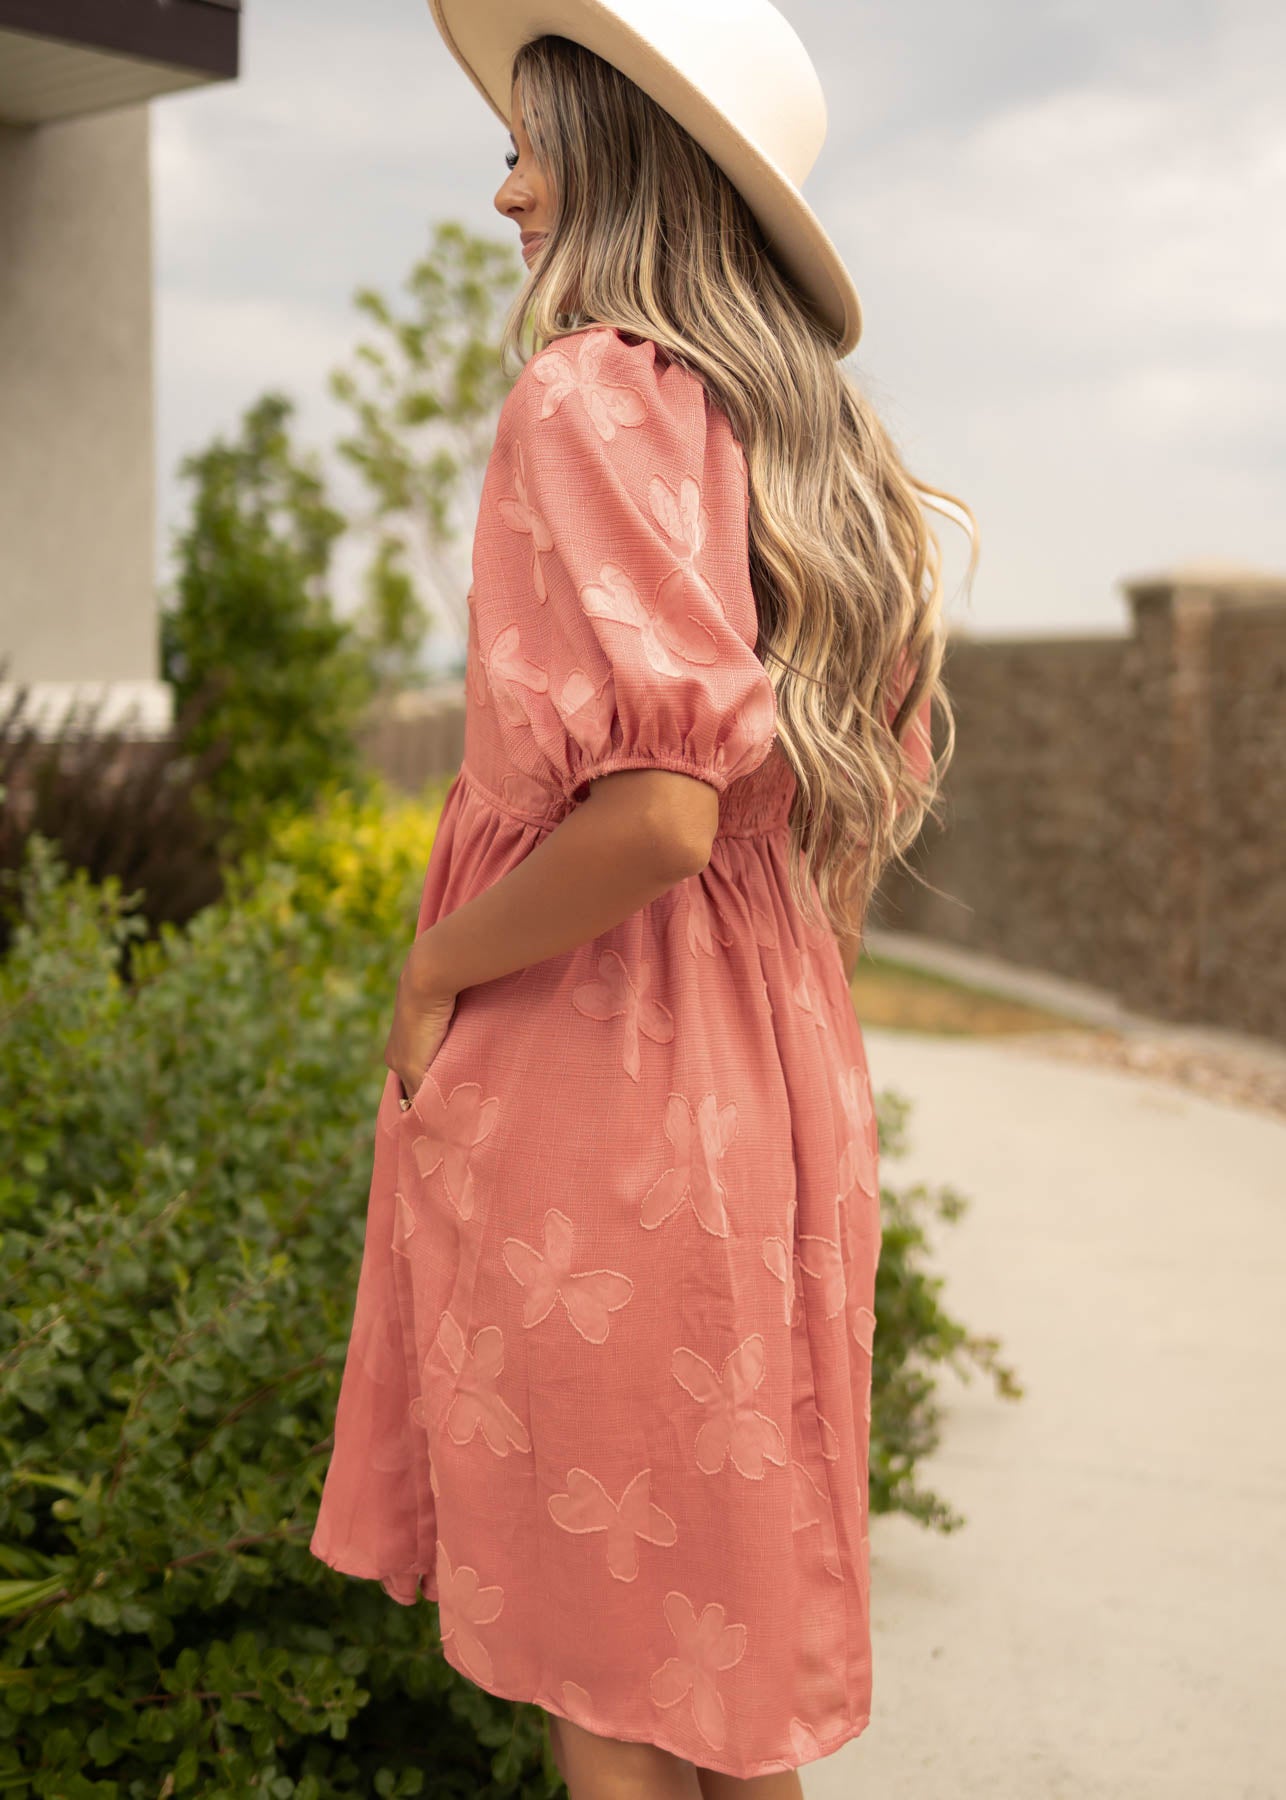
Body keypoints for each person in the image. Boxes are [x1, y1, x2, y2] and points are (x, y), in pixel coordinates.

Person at [310, 3, 978, 1794]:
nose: (507, 189)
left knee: (608, 1678)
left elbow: (657, 811)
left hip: (601, 1060)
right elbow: (799, 831)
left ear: (623, 162)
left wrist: (436, 967)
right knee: (720, 1659)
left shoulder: (592, 393)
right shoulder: (816, 444)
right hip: (767, 1077)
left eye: (533, 143)